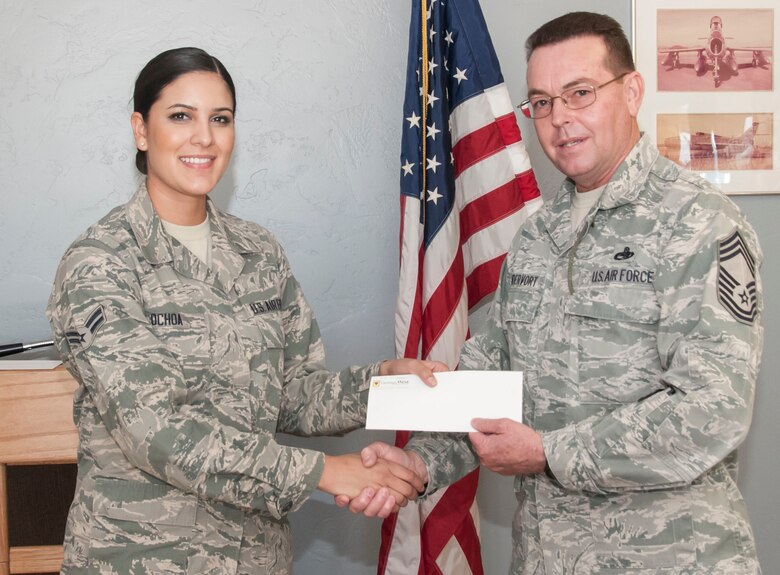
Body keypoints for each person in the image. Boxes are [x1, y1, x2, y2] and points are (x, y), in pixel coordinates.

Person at [346, 12, 764, 574]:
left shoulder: (699, 223)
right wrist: (416, 465)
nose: (560, 119)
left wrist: (547, 453)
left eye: (580, 93)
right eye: (541, 102)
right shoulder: (535, 236)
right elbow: (485, 388)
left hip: (668, 559)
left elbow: (713, 410)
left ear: (632, 91)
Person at [47, 47, 443, 575]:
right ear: (141, 130)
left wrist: (384, 385)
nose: (204, 137)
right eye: (181, 116)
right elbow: (155, 428)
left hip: (256, 556)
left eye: (221, 119)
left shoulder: (259, 252)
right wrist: (323, 473)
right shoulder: (100, 262)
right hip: (143, 559)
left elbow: (293, 396)